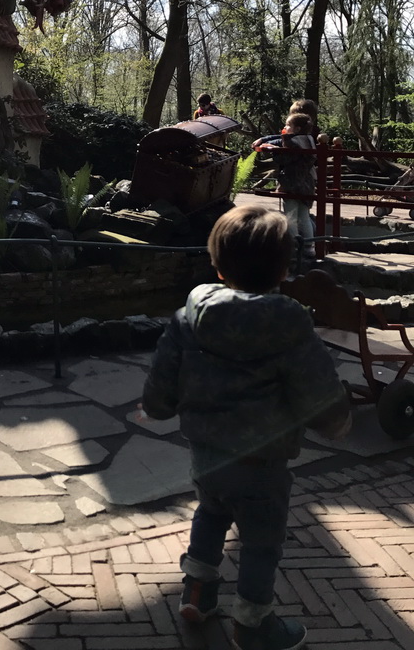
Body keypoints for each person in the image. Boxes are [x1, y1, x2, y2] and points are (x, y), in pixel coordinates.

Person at [141, 205, 350, 650]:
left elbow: (160, 388)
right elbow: (318, 389)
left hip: (205, 455)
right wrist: (338, 423)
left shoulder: (188, 316)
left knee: (211, 513)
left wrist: (158, 408)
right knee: (260, 543)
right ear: (282, 268)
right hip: (262, 462)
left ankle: (198, 593)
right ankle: (254, 626)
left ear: (217, 265)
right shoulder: (290, 321)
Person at [257, 112, 317, 261]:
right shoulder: (309, 139)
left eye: (288, 125)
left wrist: (273, 150)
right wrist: (270, 143)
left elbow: (285, 158)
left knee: (290, 216)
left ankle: (293, 246)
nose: (284, 127)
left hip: (291, 183)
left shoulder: (293, 142)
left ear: (296, 129)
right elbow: (281, 141)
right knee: (304, 216)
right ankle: (309, 246)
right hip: (307, 183)